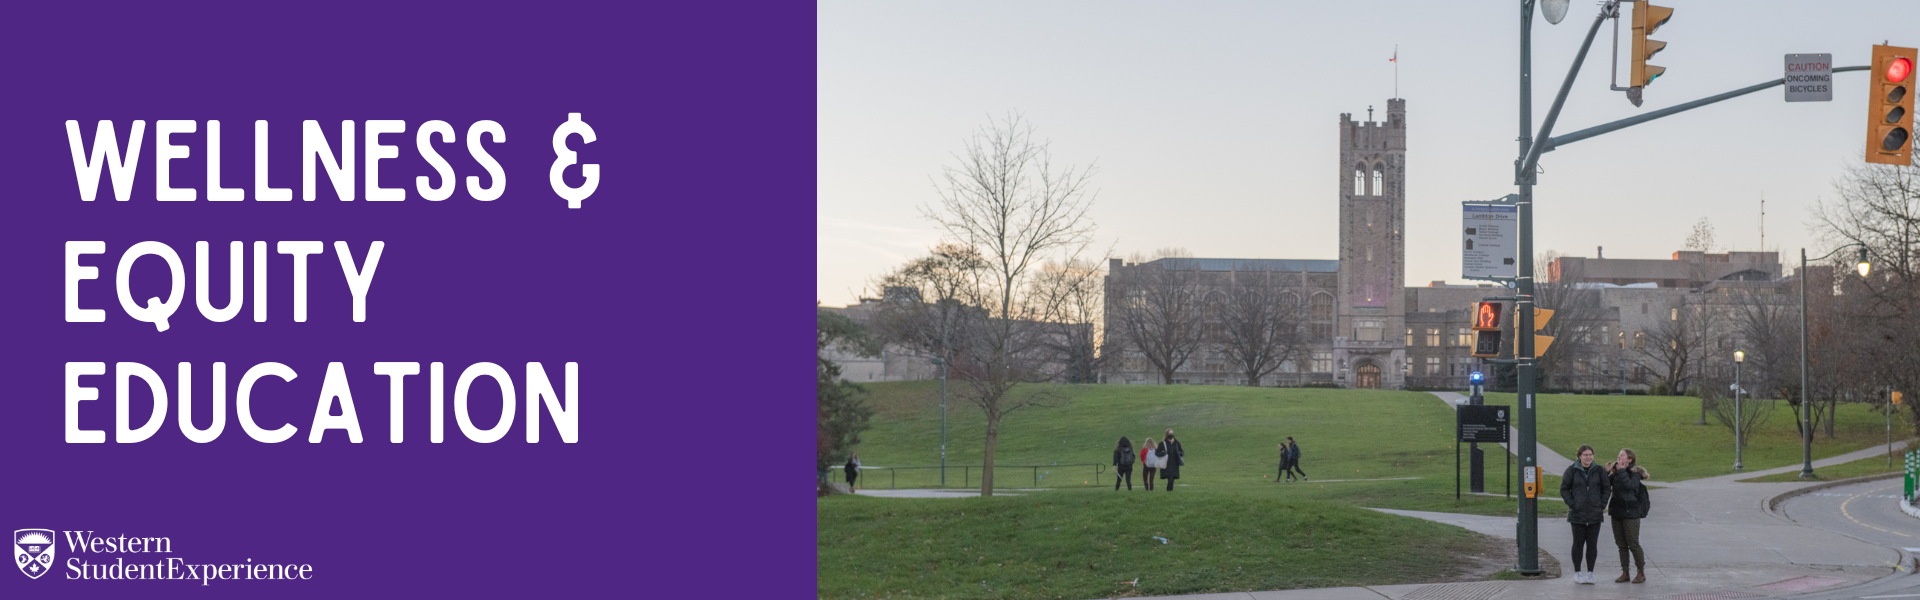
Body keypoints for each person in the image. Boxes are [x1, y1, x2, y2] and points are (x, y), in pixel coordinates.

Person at [1559, 444, 1612, 585]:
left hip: (1595, 513)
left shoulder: (1599, 470)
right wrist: (1572, 503)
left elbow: (1607, 488)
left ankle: (1590, 573)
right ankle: (1577, 572)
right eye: (1585, 455)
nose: (1588, 457)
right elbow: (1564, 489)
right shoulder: (1572, 470)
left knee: (1592, 544)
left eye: (1590, 454)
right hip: (1577, 513)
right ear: (1579, 456)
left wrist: (1602, 504)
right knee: (1578, 543)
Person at [1606, 448, 1651, 584]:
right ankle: (1625, 572)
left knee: (1633, 543)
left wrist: (1620, 471)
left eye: (1622, 455)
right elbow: (1606, 485)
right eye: (1618, 455)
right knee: (1621, 544)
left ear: (1630, 459)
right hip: (1617, 512)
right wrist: (1606, 473)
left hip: (1631, 513)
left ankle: (1641, 572)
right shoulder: (1616, 472)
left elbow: (1630, 486)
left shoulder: (1635, 473)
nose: (1619, 457)